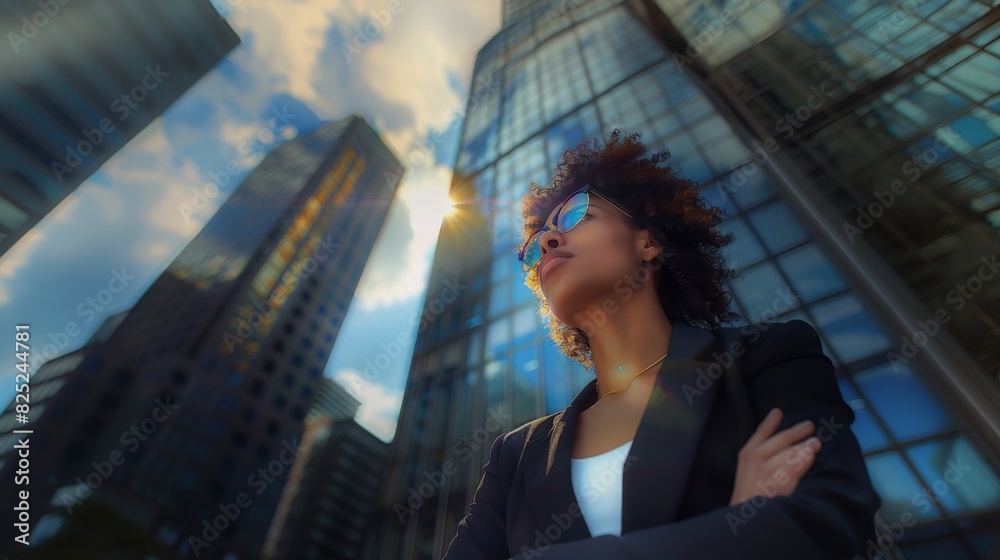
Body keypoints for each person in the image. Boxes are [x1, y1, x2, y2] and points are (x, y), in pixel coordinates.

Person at [443, 130, 882, 559]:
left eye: (577, 215)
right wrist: (737, 527)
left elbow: (827, 525)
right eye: (534, 248)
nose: (548, 241)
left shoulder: (765, 359)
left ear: (649, 242)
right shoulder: (515, 456)